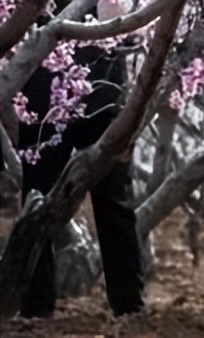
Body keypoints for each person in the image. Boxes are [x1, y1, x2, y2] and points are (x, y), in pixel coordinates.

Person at [15, 36, 145, 318]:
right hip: (43, 85)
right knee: (37, 198)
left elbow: (129, 14)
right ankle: (35, 307)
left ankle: (130, 307)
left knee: (114, 199)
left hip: (103, 83)